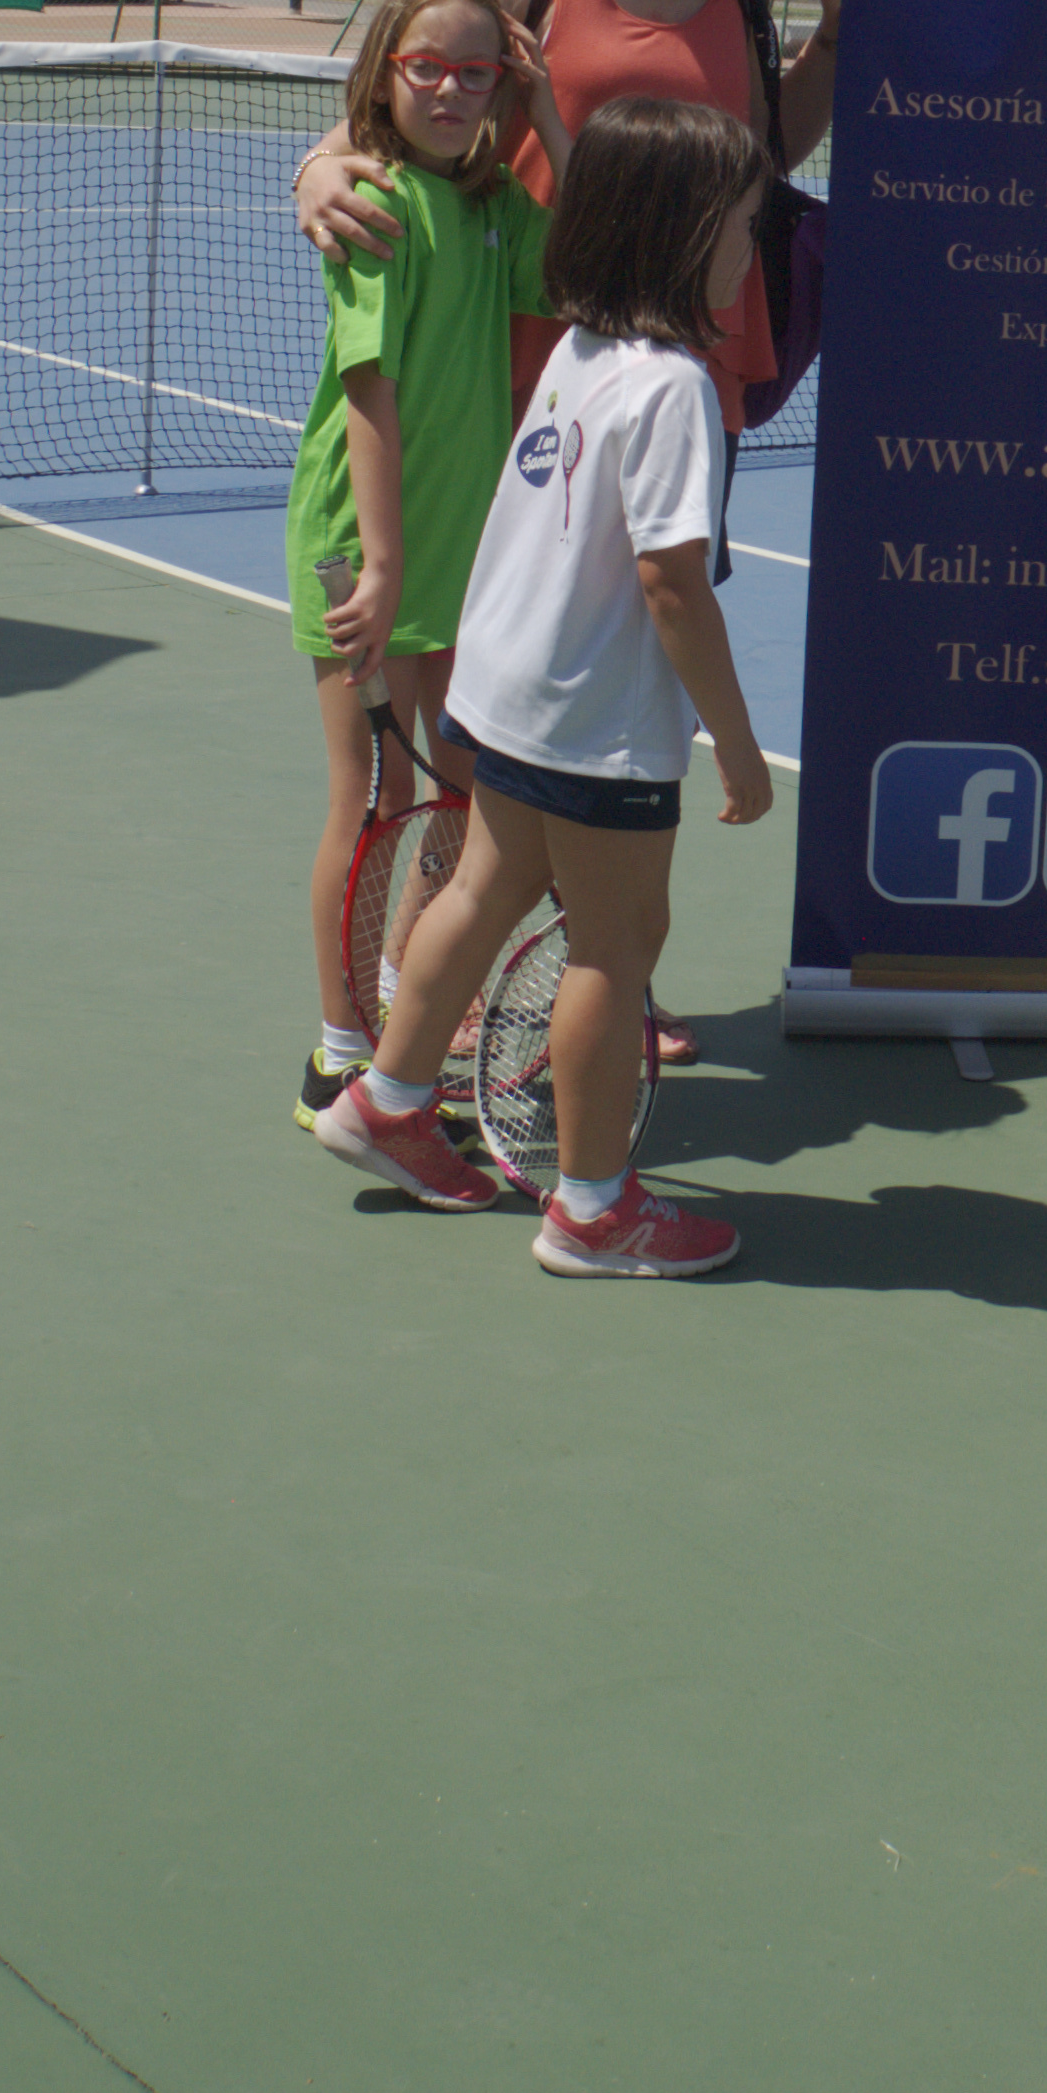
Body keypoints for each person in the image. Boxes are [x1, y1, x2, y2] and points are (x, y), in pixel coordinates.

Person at [293, 0, 864, 1059]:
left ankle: (594, 967)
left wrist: (831, 45)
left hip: (681, 362)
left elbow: (767, 150)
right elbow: (411, 64)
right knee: (510, 700)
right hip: (534, 368)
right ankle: (450, 1000)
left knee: (616, 684)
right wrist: (320, 163)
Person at [315, 93, 776, 1271]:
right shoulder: (673, 389)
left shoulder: (582, 349)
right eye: (741, 225)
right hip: (592, 720)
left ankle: (387, 1101)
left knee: (484, 888)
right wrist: (733, 742)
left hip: (506, 690)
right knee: (616, 947)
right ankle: (593, 1209)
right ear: (681, 235)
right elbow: (673, 585)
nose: (752, 248)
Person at [286, 0, 558, 1131]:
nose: (450, 89)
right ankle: (340, 1052)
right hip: (365, 552)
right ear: (384, 73)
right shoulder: (377, 205)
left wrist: (549, 122)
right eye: (428, 66)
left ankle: (407, 1010)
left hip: (462, 554)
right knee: (375, 793)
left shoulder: (494, 210)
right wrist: (385, 567)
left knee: (458, 789)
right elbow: (370, 394)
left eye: (476, 72)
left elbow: (587, 256)